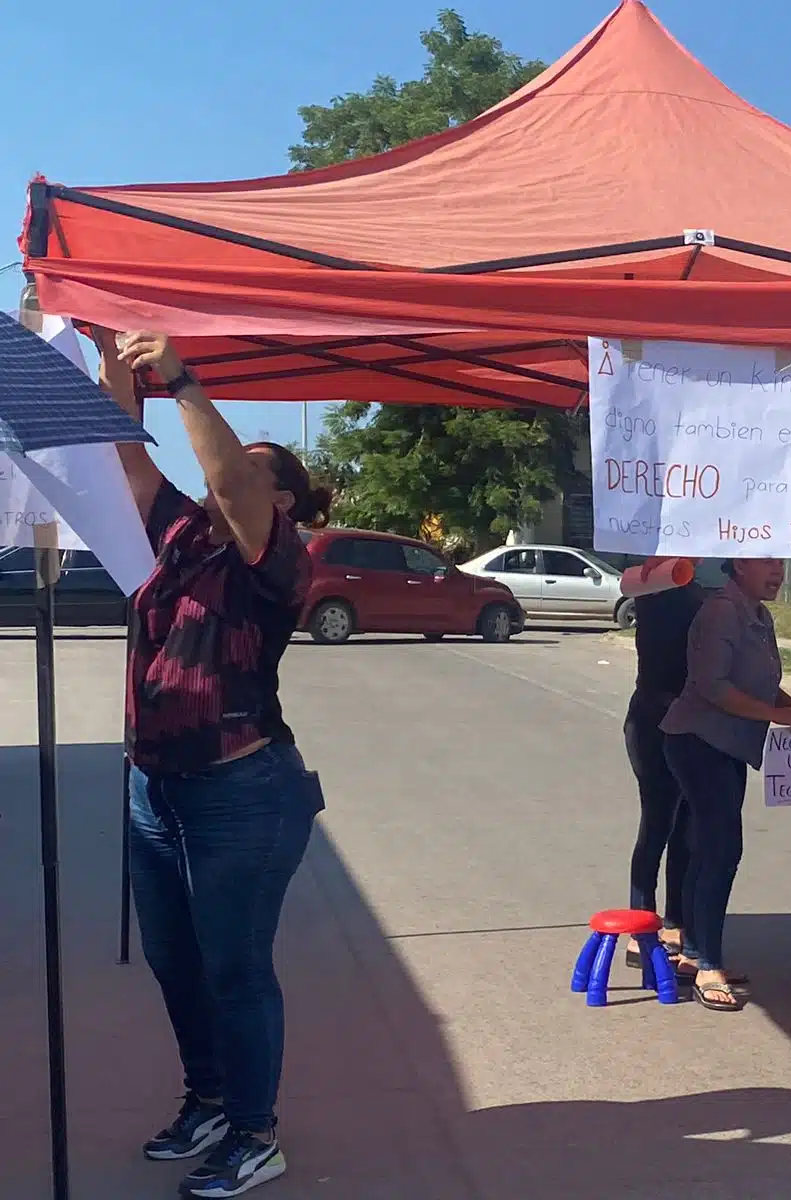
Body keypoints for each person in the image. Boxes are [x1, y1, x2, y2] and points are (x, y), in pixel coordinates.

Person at [97, 330, 330, 1199]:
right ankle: (208, 1099)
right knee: (174, 957)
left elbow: (231, 479)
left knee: (235, 964)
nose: (226, 469)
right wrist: (114, 366)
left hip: (242, 787)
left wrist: (183, 381)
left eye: (252, 462)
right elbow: (126, 464)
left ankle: (255, 1133)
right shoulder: (189, 538)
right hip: (155, 783)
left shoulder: (278, 562)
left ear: (282, 498)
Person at [661, 558, 791, 1011]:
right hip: (698, 741)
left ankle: (695, 951)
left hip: (728, 747)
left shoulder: (758, 614)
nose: (778, 571)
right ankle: (708, 963)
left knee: (710, 848)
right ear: (739, 564)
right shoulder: (721, 611)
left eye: (780, 562)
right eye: (766, 561)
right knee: (722, 848)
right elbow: (713, 686)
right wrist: (775, 715)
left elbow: (762, 684)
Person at [622, 566, 711, 970]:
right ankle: (642, 923)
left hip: (688, 720)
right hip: (653, 717)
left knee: (687, 825)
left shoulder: (698, 592)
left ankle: (675, 919)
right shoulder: (653, 582)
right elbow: (631, 582)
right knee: (658, 820)